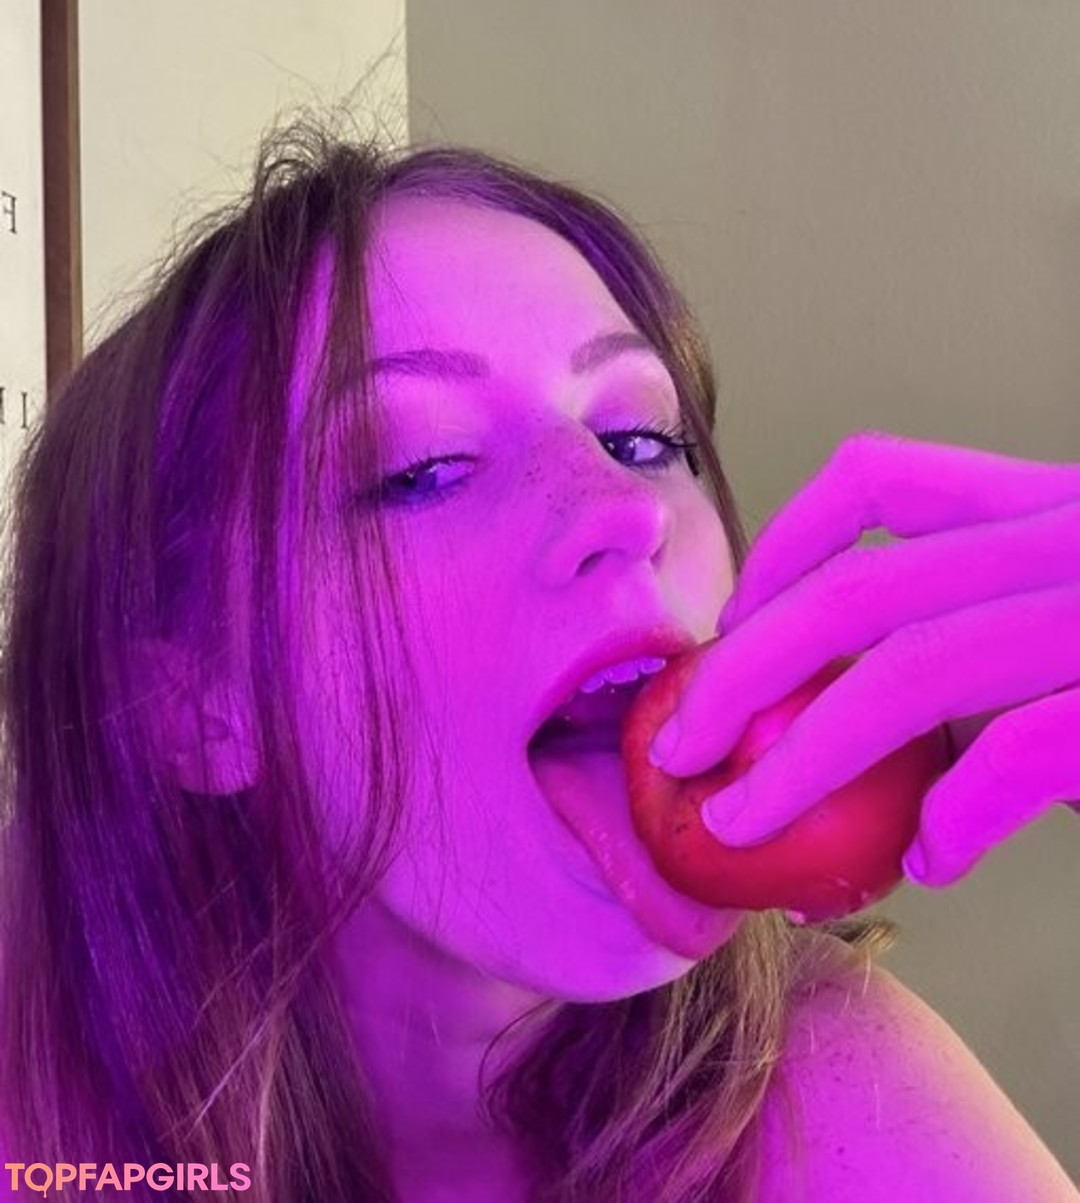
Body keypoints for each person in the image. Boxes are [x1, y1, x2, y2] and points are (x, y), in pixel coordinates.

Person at [0, 115, 1075, 1203]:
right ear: (196, 705)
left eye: (644, 439)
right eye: (421, 467)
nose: (624, 507)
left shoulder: (832, 1089)